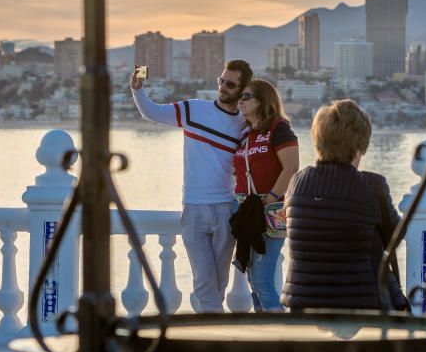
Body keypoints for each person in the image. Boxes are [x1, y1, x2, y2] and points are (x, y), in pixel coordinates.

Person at [131, 60, 253, 312]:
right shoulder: (193, 110)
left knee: (218, 285)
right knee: (205, 285)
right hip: (194, 209)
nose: (223, 87)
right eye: (221, 80)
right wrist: (137, 89)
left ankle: (211, 340)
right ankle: (217, 344)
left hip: (226, 211)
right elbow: (151, 112)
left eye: (230, 84)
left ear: (242, 89)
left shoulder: (245, 125)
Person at [281, 99, 407, 311]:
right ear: (361, 143)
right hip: (359, 305)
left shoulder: (298, 182)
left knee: (364, 235)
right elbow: (394, 239)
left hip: (301, 304)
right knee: (371, 239)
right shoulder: (372, 185)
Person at [233, 79, 298, 312]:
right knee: (252, 279)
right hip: (247, 211)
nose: (240, 100)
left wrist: (270, 198)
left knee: (261, 279)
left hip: (272, 210)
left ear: (263, 100)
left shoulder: (279, 128)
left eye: (246, 96)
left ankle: (281, 335)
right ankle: (263, 330)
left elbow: (291, 168)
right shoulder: (244, 133)